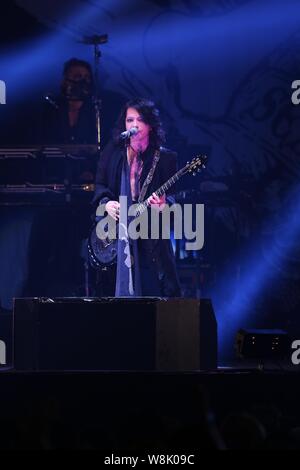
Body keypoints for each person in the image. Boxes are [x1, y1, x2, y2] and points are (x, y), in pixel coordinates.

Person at [92, 97, 181, 297]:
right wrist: (106, 203)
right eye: (129, 120)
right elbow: (99, 185)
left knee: (157, 286)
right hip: (117, 230)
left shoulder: (165, 158)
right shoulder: (112, 152)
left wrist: (164, 205)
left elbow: (173, 199)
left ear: (150, 125)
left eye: (139, 120)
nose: (133, 125)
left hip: (151, 230)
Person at [41, 57, 97, 145]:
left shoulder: (95, 108)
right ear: (65, 80)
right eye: (77, 76)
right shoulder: (52, 107)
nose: (83, 81)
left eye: (87, 77)